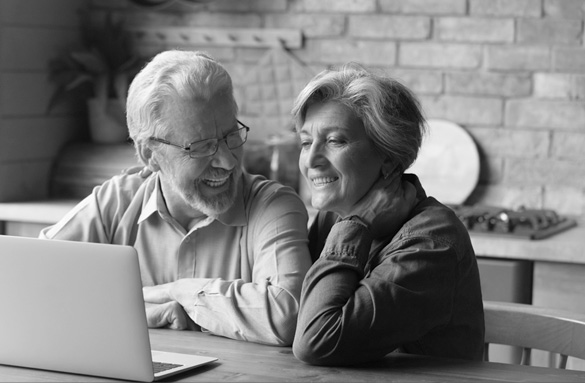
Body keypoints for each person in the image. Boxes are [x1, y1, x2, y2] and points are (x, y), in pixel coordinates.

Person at [40, 50, 312, 346]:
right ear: (150, 155)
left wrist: (178, 292)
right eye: (200, 146)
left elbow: (289, 315)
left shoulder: (273, 207)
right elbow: (29, 286)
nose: (228, 161)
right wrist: (140, 311)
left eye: (231, 136)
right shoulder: (116, 203)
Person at [291, 63, 485, 365]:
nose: (311, 160)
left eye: (334, 141)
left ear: (388, 156)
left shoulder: (431, 241)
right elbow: (293, 318)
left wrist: (358, 224)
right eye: (306, 142)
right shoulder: (334, 216)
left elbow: (317, 340)